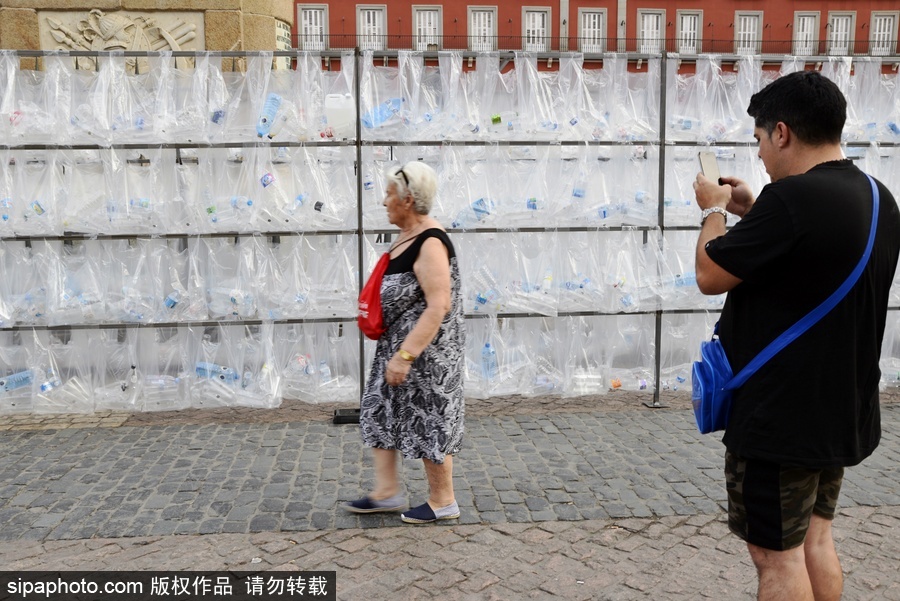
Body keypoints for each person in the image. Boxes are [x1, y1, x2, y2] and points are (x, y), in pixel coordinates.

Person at [693, 70, 900, 600]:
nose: (759, 153)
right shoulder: (878, 197)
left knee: (774, 557)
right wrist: (752, 207)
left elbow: (710, 275)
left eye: (759, 139)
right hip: (839, 407)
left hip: (781, 419)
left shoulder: (792, 201)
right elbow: (811, 251)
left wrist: (714, 209)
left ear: (782, 132)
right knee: (816, 539)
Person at [344, 161, 466, 524]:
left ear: (408, 200)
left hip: (426, 358)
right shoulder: (406, 237)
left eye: (388, 194)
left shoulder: (430, 242)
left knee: (430, 421)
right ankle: (386, 492)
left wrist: (406, 355)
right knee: (379, 411)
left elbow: (439, 305)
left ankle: (443, 501)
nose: (383, 201)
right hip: (396, 350)